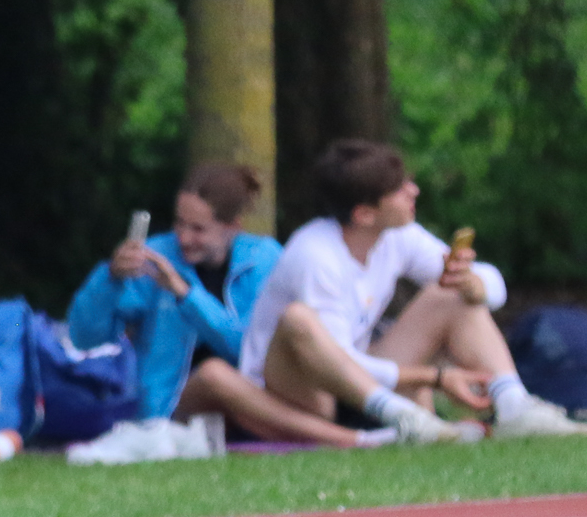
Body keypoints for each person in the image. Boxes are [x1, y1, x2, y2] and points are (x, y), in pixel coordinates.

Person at [239, 138, 587, 443]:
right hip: (299, 396)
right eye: (398, 189)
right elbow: (337, 359)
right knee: (298, 319)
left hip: (356, 384)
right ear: (364, 215)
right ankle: (408, 420)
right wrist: (436, 378)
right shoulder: (315, 256)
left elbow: (490, 285)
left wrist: (473, 285)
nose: (414, 191)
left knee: (450, 291)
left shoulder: (396, 235)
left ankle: (514, 407)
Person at [64, 161, 379, 447]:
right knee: (213, 375)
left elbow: (250, 352)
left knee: (306, 386)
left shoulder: (264, 258)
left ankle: (350, 429)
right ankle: (350, 439)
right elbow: (85, 338)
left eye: (198, 229)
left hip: (260, 393)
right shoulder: (154, 258)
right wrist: (109, 279)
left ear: (233, 226)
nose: (184, 238)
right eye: (179, 224)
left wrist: (187, 296)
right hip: (174, 407)